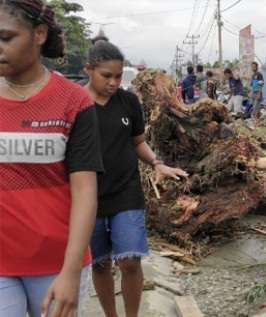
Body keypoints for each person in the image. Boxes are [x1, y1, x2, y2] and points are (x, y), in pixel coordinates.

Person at [0, 1, 104, 316]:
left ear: (39, 34)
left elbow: (85, 191)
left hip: (56, 263)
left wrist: (71, 272)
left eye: (6, 38)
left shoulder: (73, 102)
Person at [84, 36, 188, 317]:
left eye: (118, 76)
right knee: (100, 264)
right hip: (88, 198)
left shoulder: (128, 102)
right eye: (106, 76)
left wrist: (157, 162)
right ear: (88, 70)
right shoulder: (76, 104)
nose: (114, 82)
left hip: (126, 192)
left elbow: (137, 141)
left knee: (130, 261)